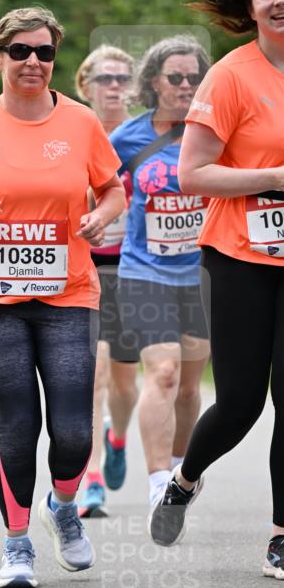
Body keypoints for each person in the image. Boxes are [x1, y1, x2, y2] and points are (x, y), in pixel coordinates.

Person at [0, 5, 125, 588]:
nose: (33, 62)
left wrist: (99, 217)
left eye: (44, 52)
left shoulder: (82, 122)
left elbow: (114, 192)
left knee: (73, 431)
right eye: (21, 51)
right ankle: (17, 547)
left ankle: (63, 509)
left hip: (68, 291)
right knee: (18, 423)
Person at [149, 0, 284, 581]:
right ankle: (185, 478)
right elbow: (192, 173)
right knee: (239, 402)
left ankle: (282, 536)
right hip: (240, 256)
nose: (279, 1)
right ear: (250, 7)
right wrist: (275, 177)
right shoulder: (231, 77)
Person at [110, 35, 212, 515]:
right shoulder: (129, 137)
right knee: (165, 374)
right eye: (176, 77)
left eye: (194, 77)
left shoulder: (217, 133)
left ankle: (178, 475)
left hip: (203, 275)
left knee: (191, 387)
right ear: (154, 82)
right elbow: (97, 188)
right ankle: (155, 483)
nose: (186, 85)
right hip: (145, 270)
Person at [74, 46, 139, 517]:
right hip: (85, 268)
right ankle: (92, 477)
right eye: (104, 78)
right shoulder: (72, 133)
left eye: (122, 78)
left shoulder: (145, 138)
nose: (113, 86)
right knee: (93, 375)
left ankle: (118, 438)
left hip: (135, 269)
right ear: (85, 86)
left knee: (125, 382)